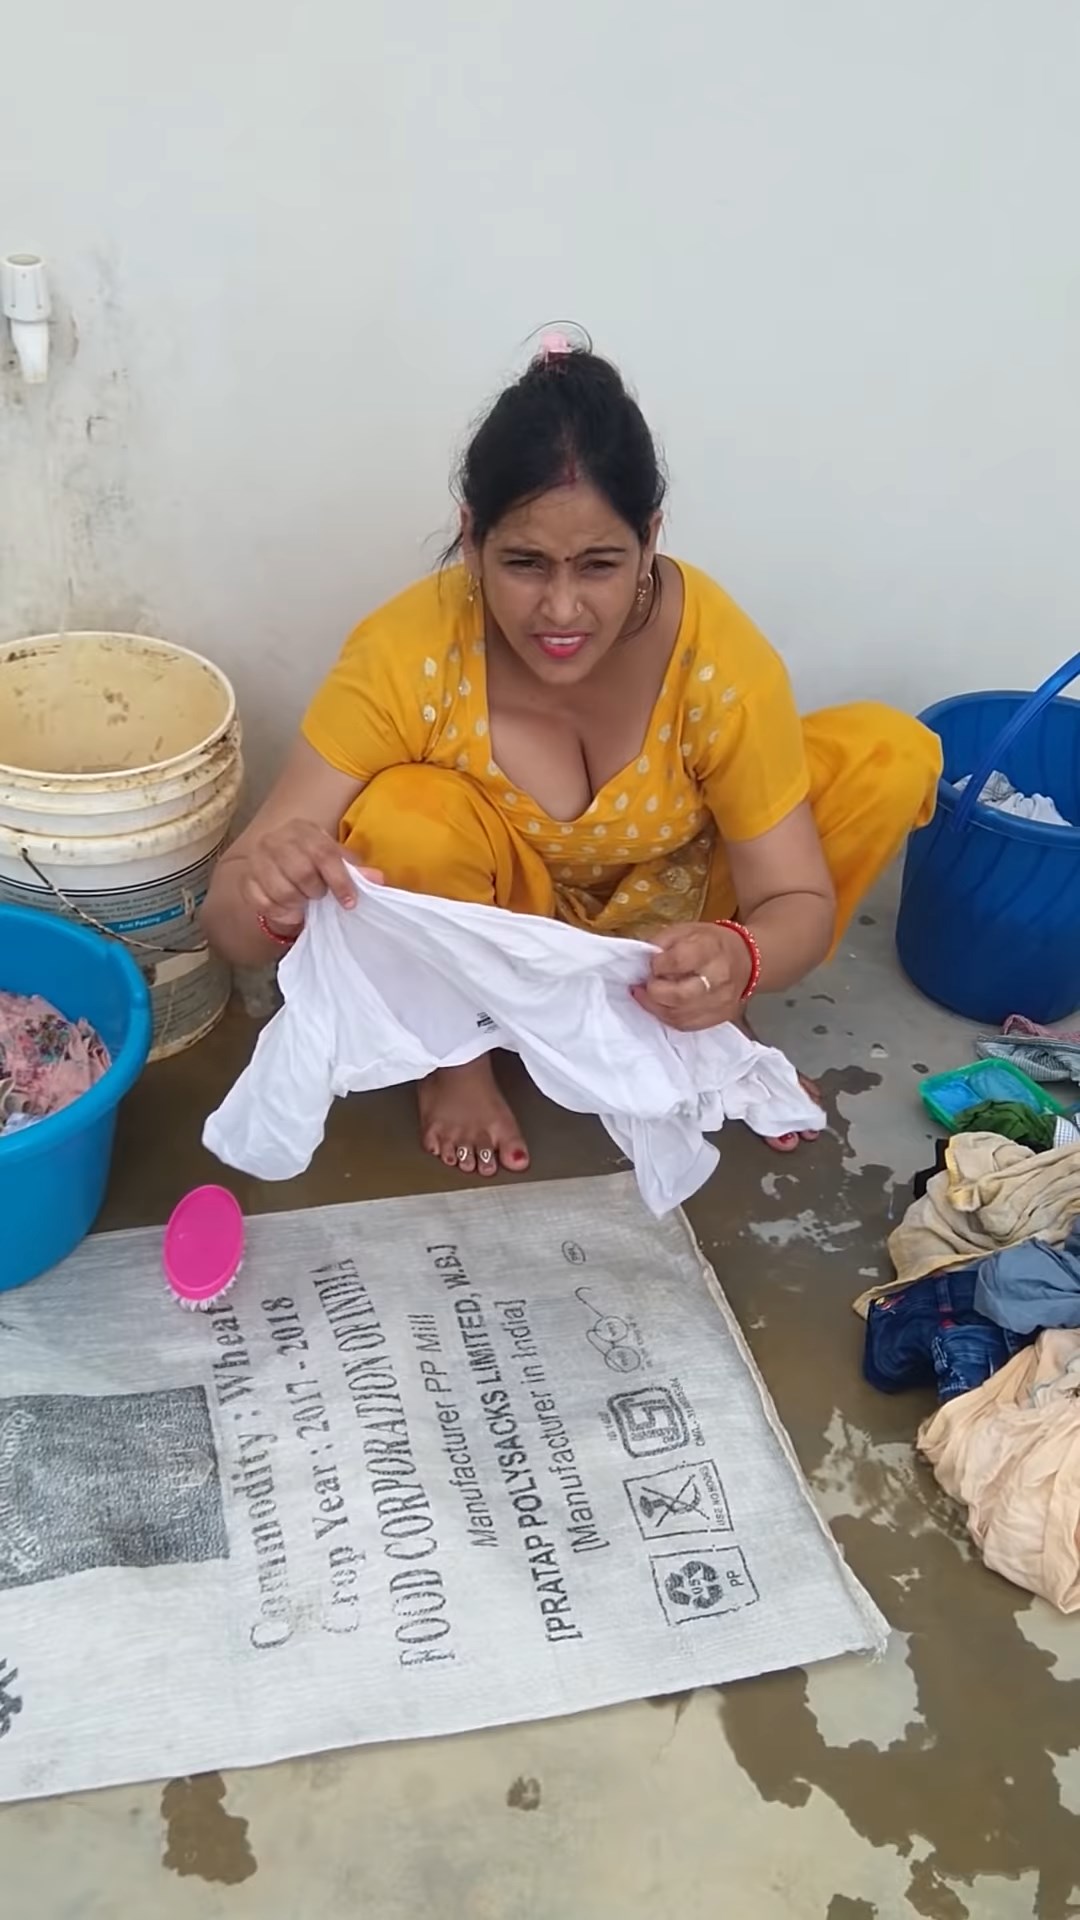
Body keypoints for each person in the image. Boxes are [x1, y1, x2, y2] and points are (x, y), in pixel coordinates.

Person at [203, 336, 942, 1174]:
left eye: (599, 565)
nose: (561, 611)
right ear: (472, 538)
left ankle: (705, 1003)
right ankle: (456, 1059)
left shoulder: (715, 659)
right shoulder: (408, 655)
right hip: (501, 933)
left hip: (675, 920)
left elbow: (795, 897)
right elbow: (227, 917)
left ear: (650, 539)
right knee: (407, 814)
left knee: (887, 754)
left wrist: (743, 956)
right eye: (524, 564)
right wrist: (273, 898)